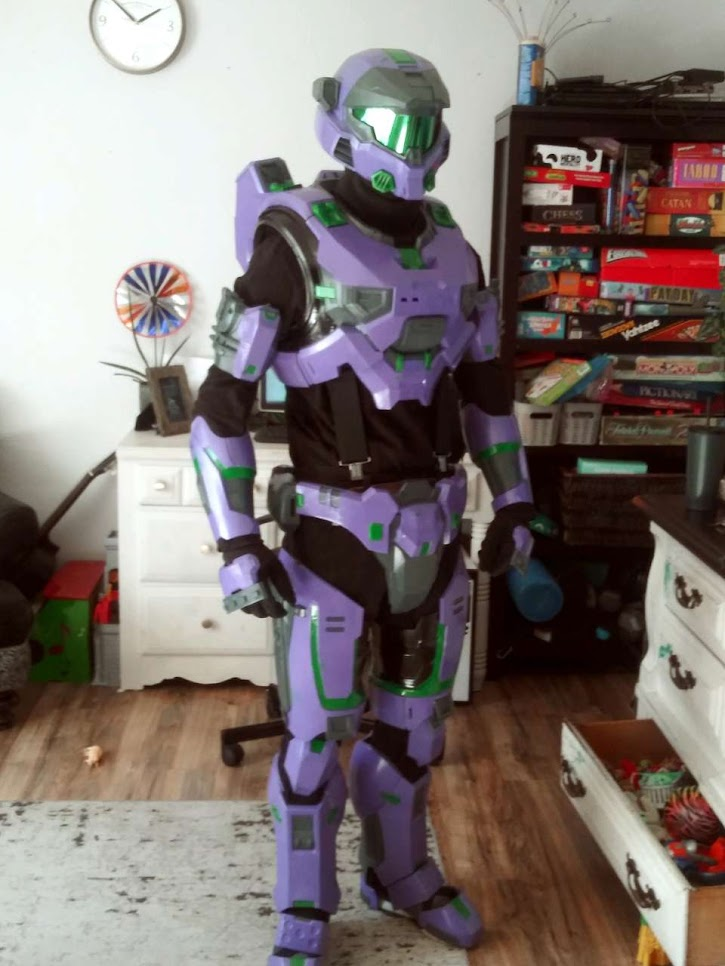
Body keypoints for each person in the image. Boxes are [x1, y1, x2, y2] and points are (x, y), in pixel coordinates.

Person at [191, 47, 534, 966]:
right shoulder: (292, 241)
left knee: (416, 730)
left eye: (423, 126)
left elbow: (487, 395)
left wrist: (514, 501)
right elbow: (218, 411)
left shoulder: (454, 249)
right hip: (330, 540)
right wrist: (235, 544)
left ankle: (402, 875)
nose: (410, 144)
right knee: (315, 739)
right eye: (390, 125)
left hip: (434, 532)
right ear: (342, 126)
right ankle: (305, 903)